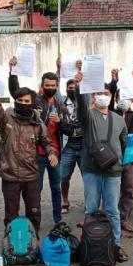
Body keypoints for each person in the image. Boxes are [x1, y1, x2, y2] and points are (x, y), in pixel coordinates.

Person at [0, 70, 57, 234]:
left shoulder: (37, 123)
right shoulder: (6, 119)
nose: (23, 103)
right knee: (11, 215)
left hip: (32, 176)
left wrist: (51, 153)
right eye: (19, 100)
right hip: (10, 176)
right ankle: (11, 246)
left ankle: (33, 244)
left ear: (32, 103)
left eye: (26, 101)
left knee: (34, 213)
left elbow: (47, 142)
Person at [73, 70, 129, 262]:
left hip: (114, 171)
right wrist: (79, 88)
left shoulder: (120, 119)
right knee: (91, 209)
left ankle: (116, 245)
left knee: (113, 210)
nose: (102, 96)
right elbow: (80, 106)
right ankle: (89, 243)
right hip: (91, 170)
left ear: (111, 96)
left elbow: (124, 144)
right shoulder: (88, 116)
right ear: (93, 97)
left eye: (106, 94)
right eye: (98, 93)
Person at [8, 57, 65, 223]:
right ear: (42, 85)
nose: (50, 88)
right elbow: (15, 92)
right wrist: (13, 73)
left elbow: (67, 128)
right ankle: (33, 221)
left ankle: (58, 220)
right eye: (47, 85)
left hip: (55, 153)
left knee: (56, 188)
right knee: (36, 189)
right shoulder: (35, 100)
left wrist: (60, 122)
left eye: (53, 86)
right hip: (37, 154)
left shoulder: (60, 104)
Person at [58, 78, 83, 215]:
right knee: (64, 176)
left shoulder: (85, 103)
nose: (72, 89)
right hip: (68, 146)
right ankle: (65, 201)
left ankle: (89, 202)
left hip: (84, 146)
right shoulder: (62, 104)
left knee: (87, 176)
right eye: (69, 87)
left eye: (74, 87)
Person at [115, 98, 133, 232]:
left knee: (128, 188)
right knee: (111, 189)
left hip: (131, 155)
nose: (125, 101)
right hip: (114, 155)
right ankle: (110, 218)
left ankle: (124, 218)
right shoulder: (112, 113)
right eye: (123, 97)